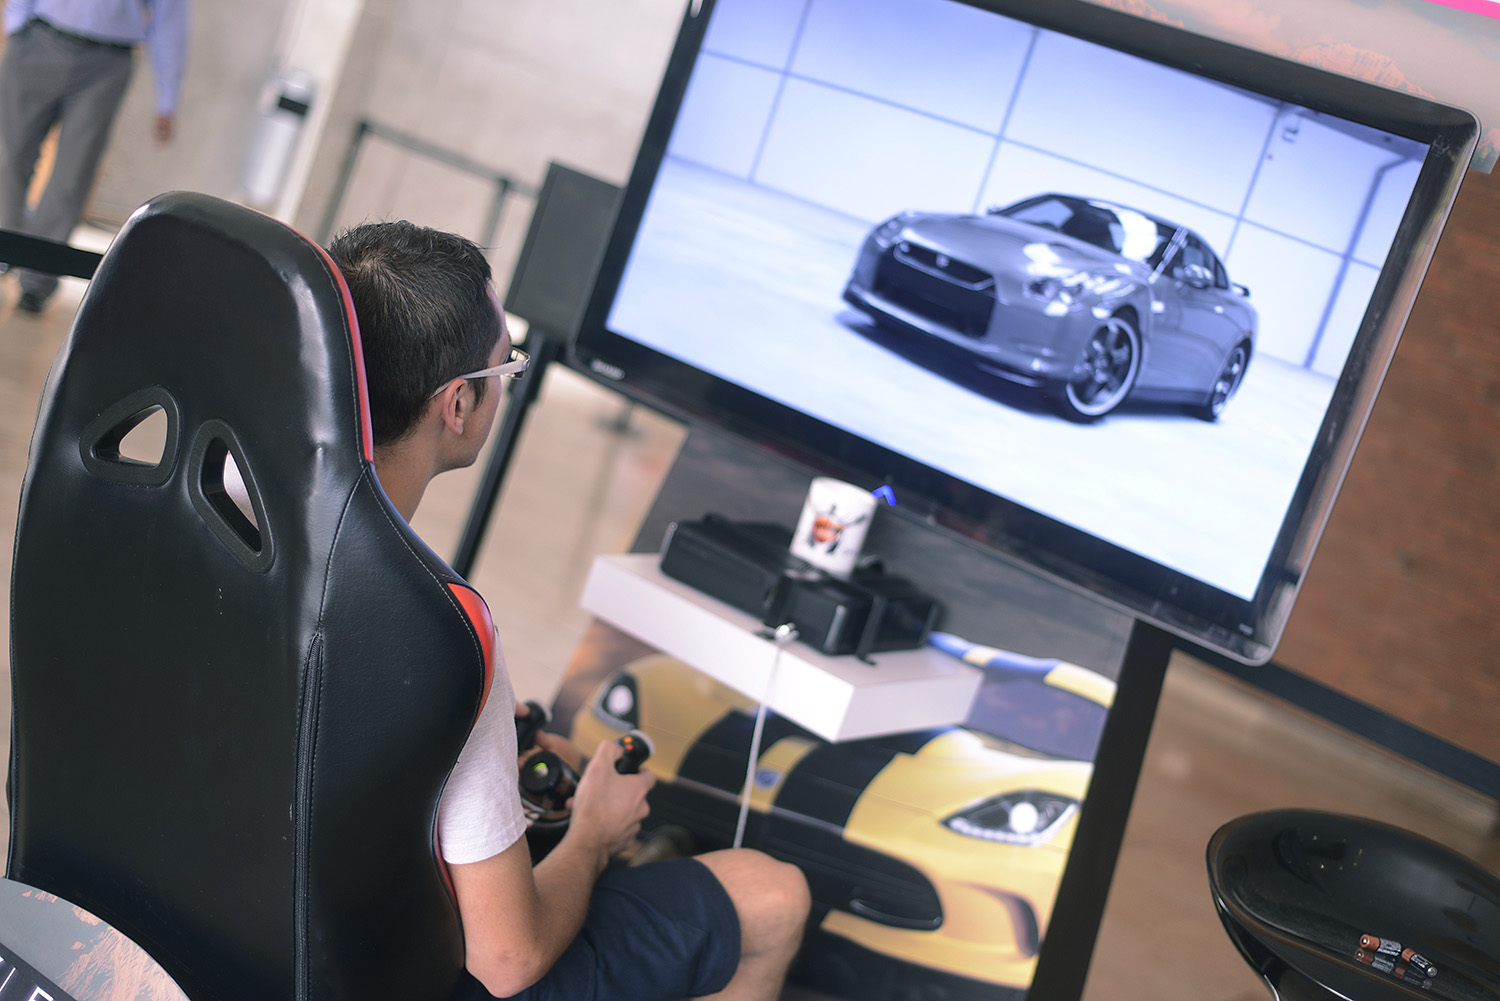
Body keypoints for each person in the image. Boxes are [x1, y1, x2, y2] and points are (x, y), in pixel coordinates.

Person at [326, 220, 811, 1001]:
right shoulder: (443, 636)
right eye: (505, 366)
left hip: (187, 935)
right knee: (771, 894)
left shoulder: (210, 502)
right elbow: (506, 960)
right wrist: (593, 834)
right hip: (370, 978)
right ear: (459, 403)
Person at [0, 0, 189, 314]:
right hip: (39, 40)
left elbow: (171, 19)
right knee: (9, 157)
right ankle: (7, 250)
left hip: (107, 64)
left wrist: (167, 101)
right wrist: (16, 25)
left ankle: (37, 279)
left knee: (72, 177)